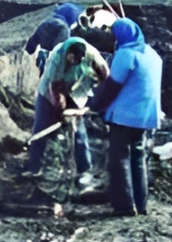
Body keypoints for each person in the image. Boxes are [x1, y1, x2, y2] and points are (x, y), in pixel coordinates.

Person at [88, 18, 163, 217]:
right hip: (146, 116)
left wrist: (95, 105)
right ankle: (141, 204)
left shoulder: (126, 54)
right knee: (138, 158)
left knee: (119, 159)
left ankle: (124, 206)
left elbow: (112, 86)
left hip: (125, 116)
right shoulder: (152, 54)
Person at [25, 37, 109, 183]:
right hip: (50, 93)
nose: (74, 63)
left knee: (79, 131)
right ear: (67, 55)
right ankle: (34, 167)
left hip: (76, 92)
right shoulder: (57, 57)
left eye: (77, 61)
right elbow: (55, 89)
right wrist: (61, 112)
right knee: (41, 128)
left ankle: (84, 170)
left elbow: (106, 77)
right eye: (71, 60)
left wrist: (100, 100)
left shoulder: (92, 54)